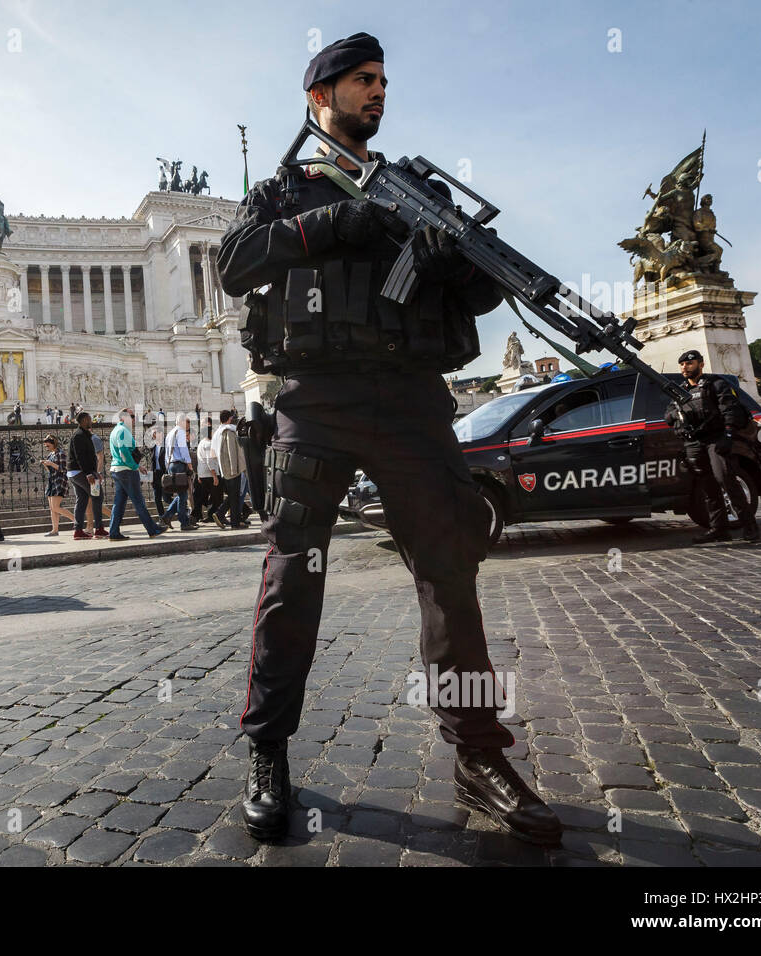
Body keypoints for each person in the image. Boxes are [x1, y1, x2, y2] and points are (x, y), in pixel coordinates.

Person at [217, 32, 560, 845]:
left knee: (451, 575)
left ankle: (479, 756)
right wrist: (340, 220)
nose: (377, 91)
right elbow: (235, 263)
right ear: (319, 98)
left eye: (382, 81)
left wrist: (450, 259)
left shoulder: (419, 188)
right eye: (360, 81)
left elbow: (479, 292)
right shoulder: (282, 190)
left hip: (410, 397)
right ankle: (267, 749)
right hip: (317, 397)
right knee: (293, 577)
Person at [664, 349, 761, 543]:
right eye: (682, 364)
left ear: (701, 364)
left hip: (716, 439)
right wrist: (676, 416)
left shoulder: (715, 384)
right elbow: (668, 415)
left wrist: (728, 434)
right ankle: (719, 529)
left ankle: (749, 526)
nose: (685, 367)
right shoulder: (680, 390)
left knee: (726, 480)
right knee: (707, 486)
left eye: (690, 363)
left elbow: (729, 409)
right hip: (694, 442)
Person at [107, 408, 166, 540]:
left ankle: (114, 532)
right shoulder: (123, 431)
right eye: (132, 416)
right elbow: (124, 452)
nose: (134, 420)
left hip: (117, 470)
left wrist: (138, 466)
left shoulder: (115, 430)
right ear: (123, 418)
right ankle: (153, 529)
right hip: (126, 471)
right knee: (139, 501)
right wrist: (135, 466)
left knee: (119, 503)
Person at [67, 412, 107, 539]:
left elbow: (90, 457)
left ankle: (78, 531)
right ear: (84, 420)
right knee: (97, 496)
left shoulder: (84, 435)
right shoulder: (79, 436)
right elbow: (81, 457)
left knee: (82, 499)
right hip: (81, 472)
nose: (91, 421)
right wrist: (89, 473)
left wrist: (95, 472)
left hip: (77, 472)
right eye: (90, 419)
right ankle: (99, 529)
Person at [212, 409, 247, 529]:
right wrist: (234, 469)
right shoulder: (228, 431)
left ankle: (221, 514)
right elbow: (232, 451)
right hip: (232, 469)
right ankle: (234, 523)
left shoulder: (217, 432)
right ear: (230, 419)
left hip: (223, 469)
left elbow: (213, 454)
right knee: (235, 496)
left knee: (233, 495)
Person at [163, 413, 197, 530]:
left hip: (171, 465)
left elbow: (167, 453)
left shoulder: (170, 433)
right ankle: (184, 523)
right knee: (183, 495)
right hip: (179, 465)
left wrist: (167, 466)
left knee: (181, 494)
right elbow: (184, 450)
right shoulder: (181, 432)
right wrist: (190, 465)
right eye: (187, 422)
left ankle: (167, 516)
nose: (188, 425)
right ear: (182, 422)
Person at [40, 434, 75, 536]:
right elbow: (50, 471)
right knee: (52, 508)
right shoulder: (50, 455)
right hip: (52, 481)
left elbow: (64, 469)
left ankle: (76, 520)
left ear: (53, 443)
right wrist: (46, 465)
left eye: (47, 445)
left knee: (55, 507)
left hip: (60, 481)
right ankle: (55, 530)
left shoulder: (61, 453)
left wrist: (50, 464)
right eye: (46, 446)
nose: (46, 447)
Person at [192, 429, 221, 525]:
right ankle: (211, 515)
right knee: (216, 497)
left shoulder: (201, 443)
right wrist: (215, 476)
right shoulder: (209, 444)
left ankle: (197, 515)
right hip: (210, 474)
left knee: (204, 496)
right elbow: (209, 461)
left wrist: (199, 475)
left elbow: (199, 460)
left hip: (203, 474)